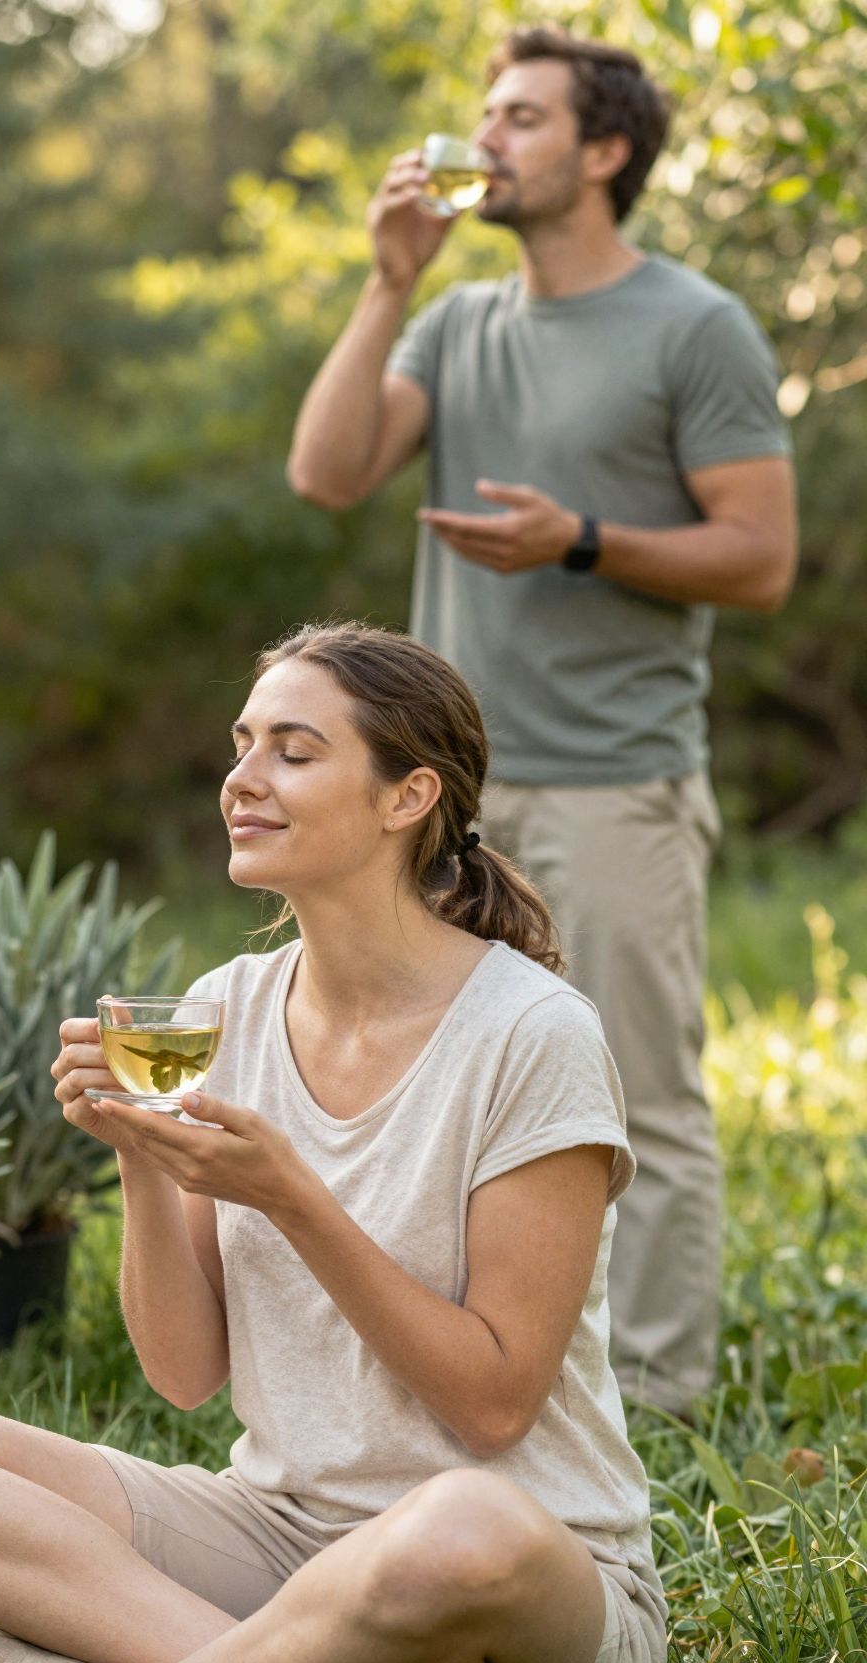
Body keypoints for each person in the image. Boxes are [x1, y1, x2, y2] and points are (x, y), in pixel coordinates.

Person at [0, 622, 667, 1663]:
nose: (242, 780)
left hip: (522, 1569)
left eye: (294, 752)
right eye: (242, 744)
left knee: (463, 1526)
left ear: (409, 795)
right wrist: (143, 1160)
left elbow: (496, 1399)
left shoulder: (530, 1035)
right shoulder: (226, 1009)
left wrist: (293, 1196)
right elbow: (183, 1372)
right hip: (280, 1532)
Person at [286, 30, 798, 1418]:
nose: (487, 138)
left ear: (604, 152)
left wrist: (578, 542)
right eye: (485, 113)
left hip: (613, 785)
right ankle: (492, 1373)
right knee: (452, 1094)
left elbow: (759, 557)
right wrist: (390, 283)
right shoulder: (454, 325)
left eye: (521, 116)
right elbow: (325, 471)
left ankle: (666, 1404)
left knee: (639, 1101)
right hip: (444, 801)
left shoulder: (695, 328)